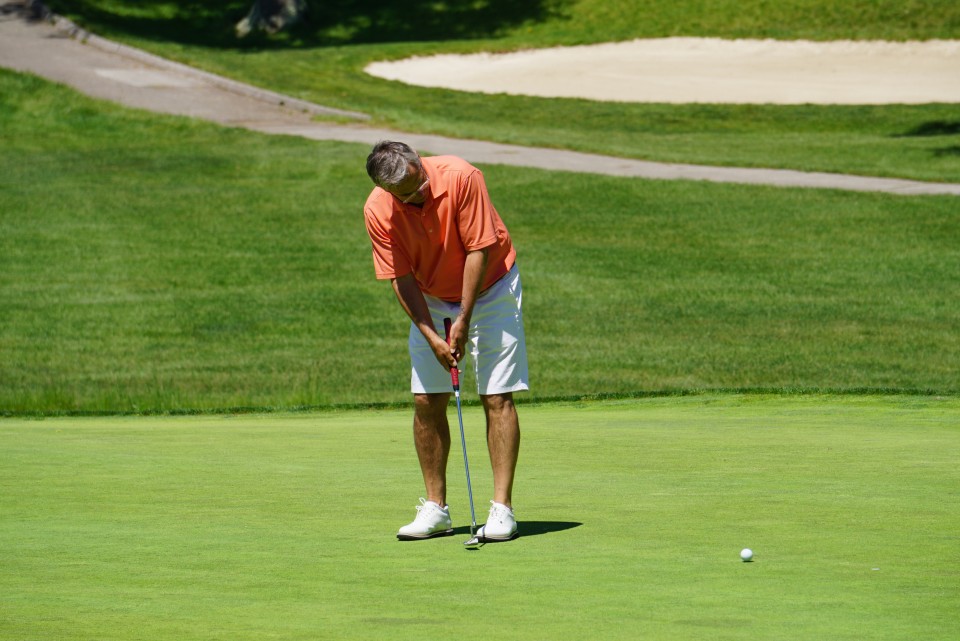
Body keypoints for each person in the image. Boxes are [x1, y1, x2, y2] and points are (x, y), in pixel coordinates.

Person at [363, 141, 529, 542]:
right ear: (388, 191)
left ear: (418, 163)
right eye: (407, 193)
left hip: (492, 287)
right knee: (426, 398)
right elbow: (400, 277)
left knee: (497, 394)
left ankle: (502, 510)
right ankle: (436, 509)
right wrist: (431, 335)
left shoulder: (462, 177)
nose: (419, 193)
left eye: (419, 182)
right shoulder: (378, 209)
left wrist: (464, 319)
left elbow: (478, 249)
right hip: (432, 295)